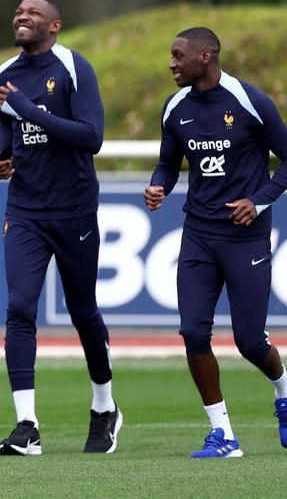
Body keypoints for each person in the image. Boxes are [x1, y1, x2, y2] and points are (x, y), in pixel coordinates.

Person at [0, 0, 120, 455]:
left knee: (83, 310)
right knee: (20, 306)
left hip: (74, 209)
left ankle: (104, 406)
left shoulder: (74, 67)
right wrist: (1, 158)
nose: (22, 17)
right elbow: (8, 129)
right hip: (24, 211)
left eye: (33, 14)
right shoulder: (2, 76)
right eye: (18, 11)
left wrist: (29, 109)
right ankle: (27, 425)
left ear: (55, 25)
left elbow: (92, 137)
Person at [144, 27, 287, 458]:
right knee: (192, 332)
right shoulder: (175, 107)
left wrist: (259, 202)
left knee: (249, 341)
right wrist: (157, 186)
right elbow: (168, 164)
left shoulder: (249, 101)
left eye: (178, 56)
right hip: (198, 235)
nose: (171, 63)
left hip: (246, 238)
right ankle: (222, 434)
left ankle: (283, 392)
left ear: (204, 57)